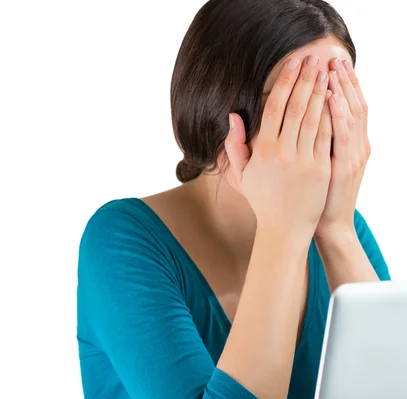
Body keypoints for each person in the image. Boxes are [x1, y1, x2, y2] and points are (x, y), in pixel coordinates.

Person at [77, 0, 390, 397]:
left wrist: (337, 230)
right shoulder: (121, 239)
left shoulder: (342, 228)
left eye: (337, 96)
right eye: (297, 102)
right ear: (223, 117)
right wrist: (283, 230)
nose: (324, 125)